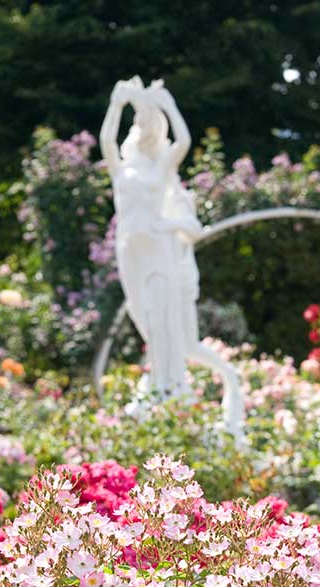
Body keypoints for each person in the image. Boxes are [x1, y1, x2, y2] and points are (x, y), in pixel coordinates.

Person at [100, 77, 244, 440]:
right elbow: (106, 142)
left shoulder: (159, 169)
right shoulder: (122, 170)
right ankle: (159, 383)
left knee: (162, 319)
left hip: (158, 250)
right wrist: (117, 105)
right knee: (144, 317)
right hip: (130, 250)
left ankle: (169, 390)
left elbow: (183, 142)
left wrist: (167, 104)